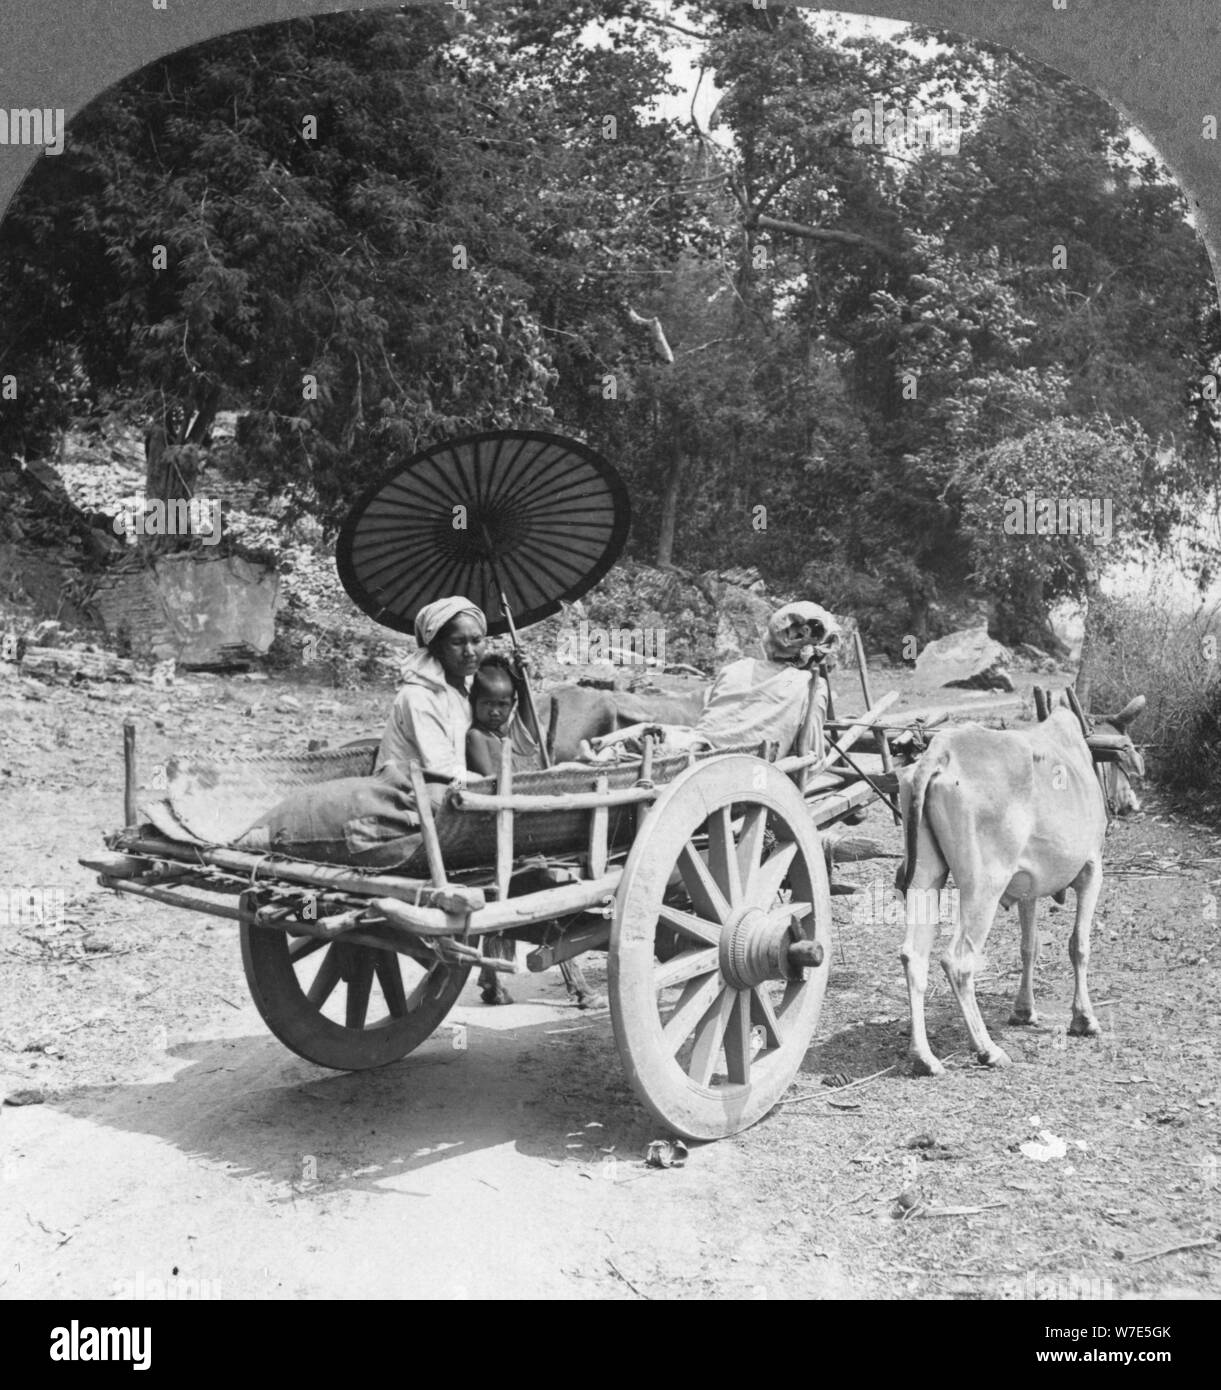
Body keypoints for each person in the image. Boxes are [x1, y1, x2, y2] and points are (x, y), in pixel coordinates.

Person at [580, 601, 842, 763]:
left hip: (689, 751)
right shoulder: (812, 686)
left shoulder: (735, 669)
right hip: (741, 770)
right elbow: (810, 755)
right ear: (814, 650)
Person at [375, 597, 541, 804]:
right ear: (436, 647)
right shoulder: (419, 697)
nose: (470, 652)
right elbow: (443, 772)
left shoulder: (473, 684)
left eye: (477, 640)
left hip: (461, 785)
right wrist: (490, 785)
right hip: (412, 790)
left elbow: (520, 746)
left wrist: (523, 687)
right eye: (457, 642)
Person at [465, 653, 522, 777]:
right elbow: (489, 779)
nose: (495, 712)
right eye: (487, 703)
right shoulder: (476, 736)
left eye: (502, 704)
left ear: (512, 705)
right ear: (473, 701)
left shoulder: (501, 735)